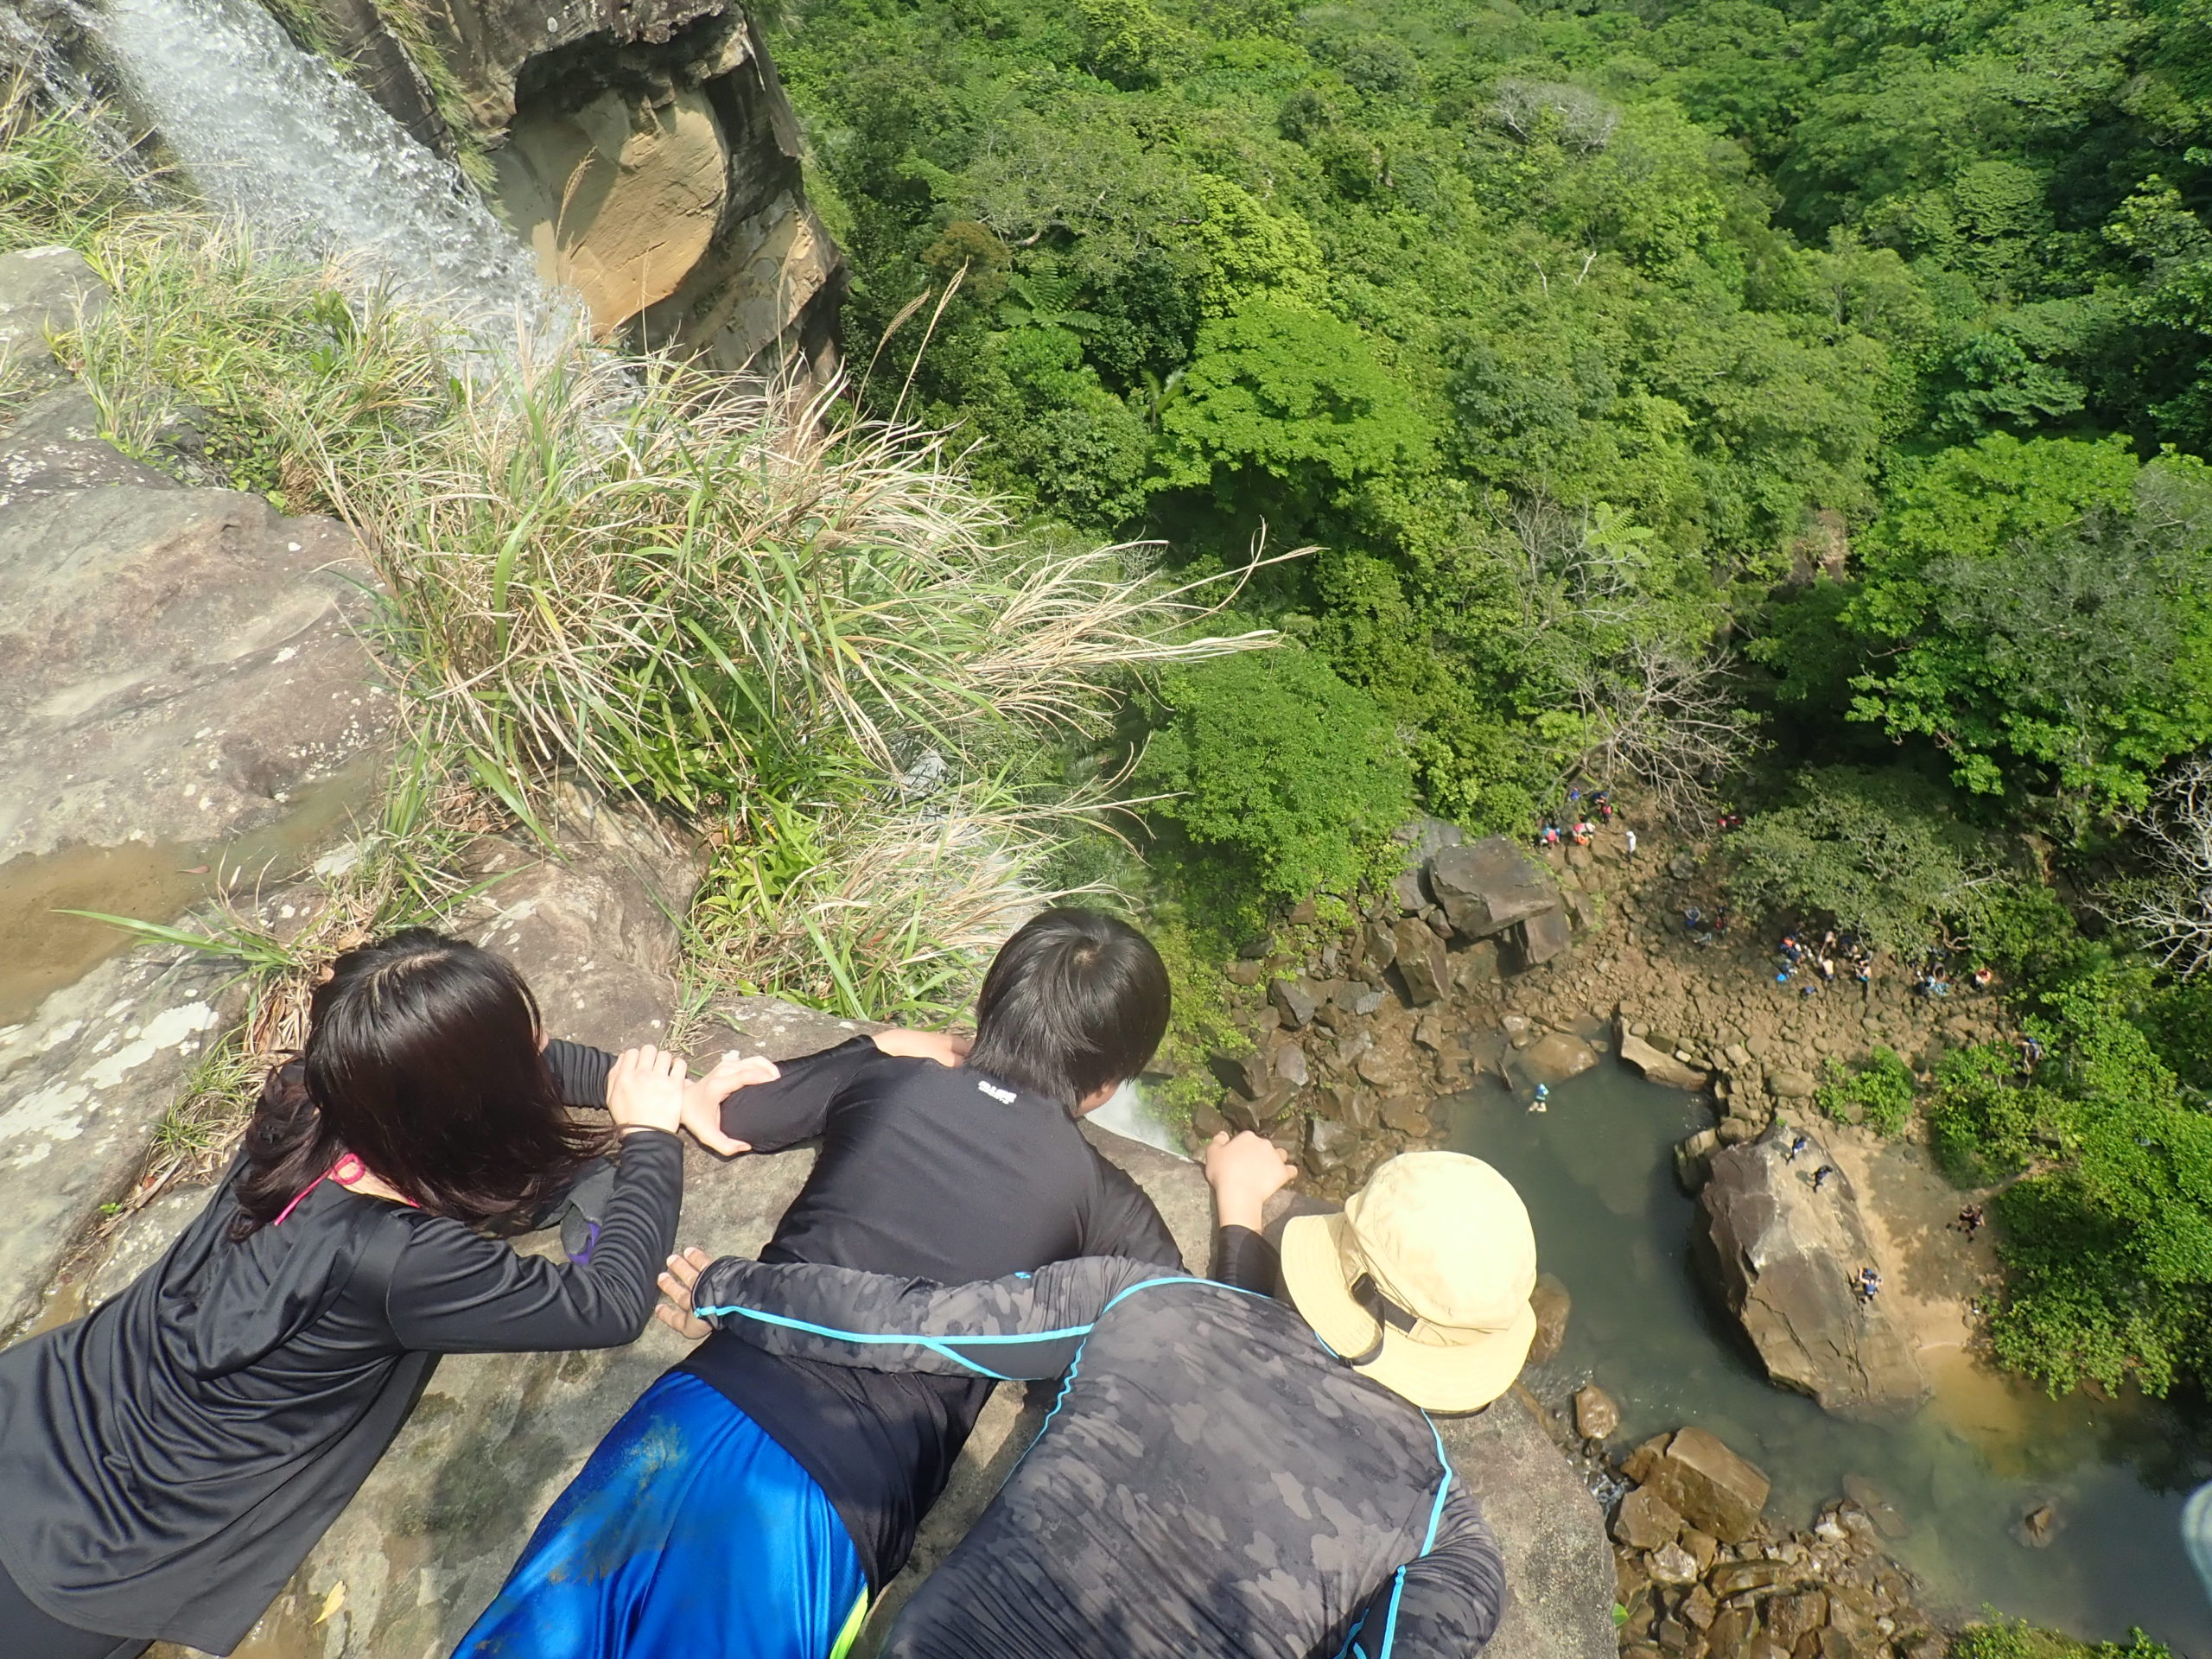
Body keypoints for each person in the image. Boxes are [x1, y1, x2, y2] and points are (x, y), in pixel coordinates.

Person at [453, 908, 1185, 1659]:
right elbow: (1191, 1339)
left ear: (988, 1005)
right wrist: (1241, 1214)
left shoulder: (890, 1077)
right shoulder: (1103, 1201)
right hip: (829, 1505)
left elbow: (736, 1112)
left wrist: (884, 1045)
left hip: (695, 1412)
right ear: (1107, 1084)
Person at [0, 929, 748, 1659]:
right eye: (533, 1045)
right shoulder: (402, 1258)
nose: (550, 1047)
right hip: (93, 1554)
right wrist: (650, 1134)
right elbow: (609, 1305)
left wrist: (666, 1091)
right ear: (470, 1100)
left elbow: (487, 1072)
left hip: (40, 1401)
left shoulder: (314, 1095)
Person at [669, 1139, 1518, 1659]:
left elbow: (912, 1325)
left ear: (1333, 1249)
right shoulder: (1451, 1546)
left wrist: (728, 1288)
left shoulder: (1139, 1299)